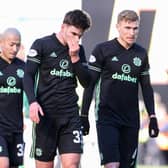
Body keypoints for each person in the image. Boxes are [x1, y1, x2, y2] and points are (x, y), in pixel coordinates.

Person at [80, 9, 159, 168]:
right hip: (107, 116)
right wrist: (83, 115)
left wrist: (152, 116)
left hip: (131, 118)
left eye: (135, 28)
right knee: (112, 165)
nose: (132, 32)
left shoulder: (141, 54)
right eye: (127, 28)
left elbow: (146, 87)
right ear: (118, 27)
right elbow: (90, 85)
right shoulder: (103, 50)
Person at [23, 9, 91, 168]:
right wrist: (32, 102)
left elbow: (87, 82)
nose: (76, 39)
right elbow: (28, 76)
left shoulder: (79, 51)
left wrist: (75, 59)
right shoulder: (42, 44)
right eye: (73, 34)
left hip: (70, 116)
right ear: (63, 27)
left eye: (79, 36)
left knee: (72, 165)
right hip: (46, 116)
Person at [0, 28, 25, 168]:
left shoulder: (23, 67)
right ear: (1, 43)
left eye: (18, 45)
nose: (15, 49)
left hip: (16, 129)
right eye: (11, 44)